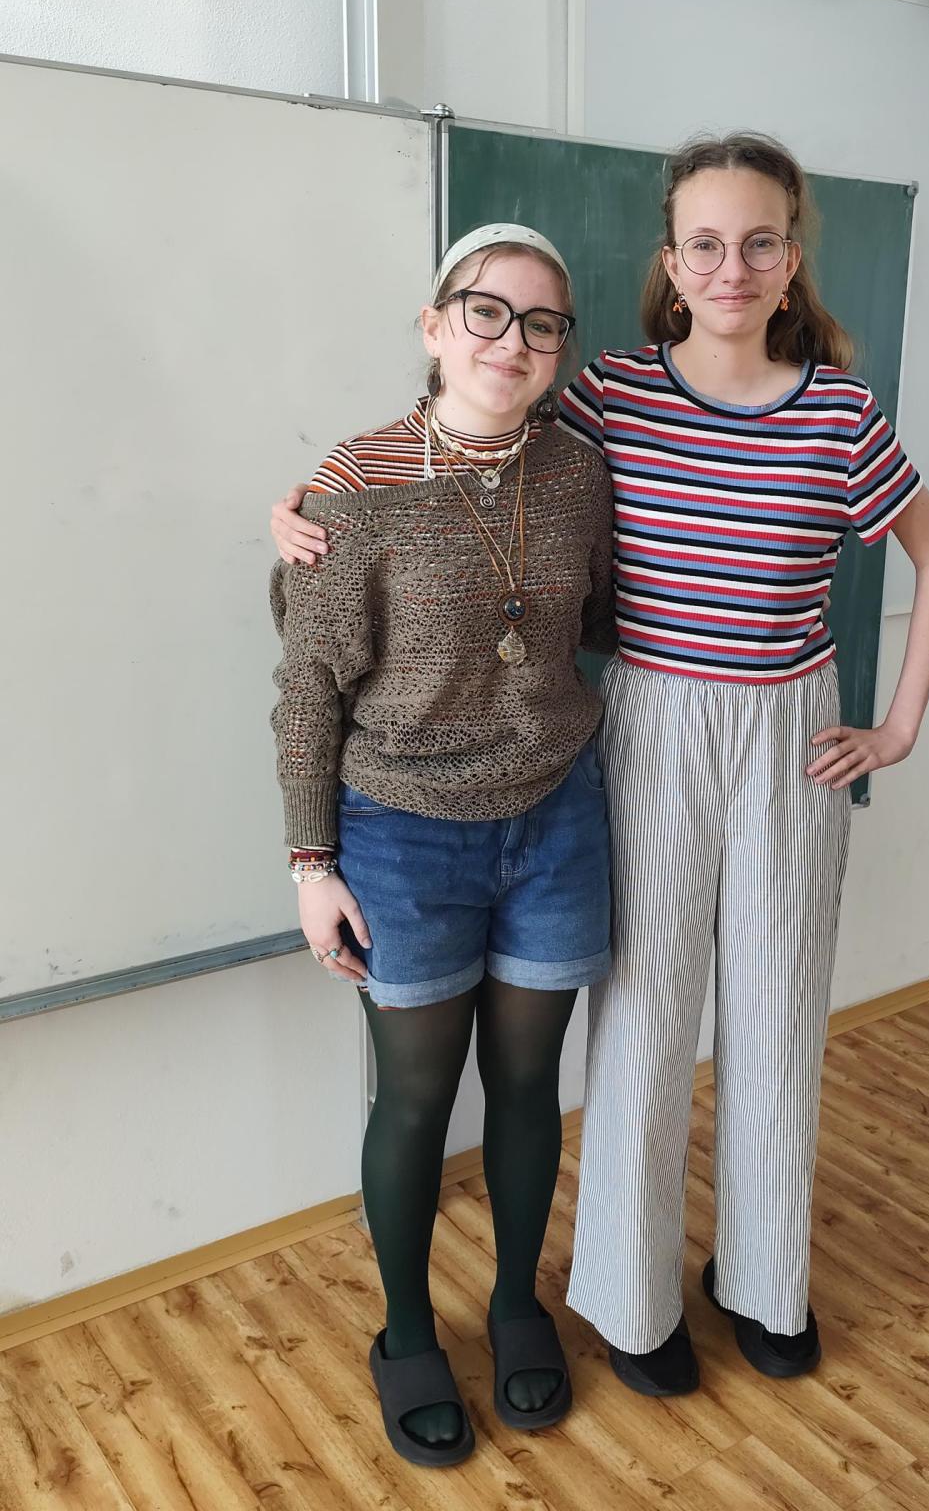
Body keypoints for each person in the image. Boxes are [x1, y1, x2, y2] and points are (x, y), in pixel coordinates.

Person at [271, 135, 929, 1402]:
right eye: (705, 243)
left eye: (759, 242)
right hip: (646, 721)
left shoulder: (840, 412)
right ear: (671, 263)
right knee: (643, 1018)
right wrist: (308, 499)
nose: (731, 266)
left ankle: (763, 1281)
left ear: (791, 260)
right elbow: (464, 443)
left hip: (789, 727)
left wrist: (900, 723)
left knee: (779, 1014)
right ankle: (631, 1301)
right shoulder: (610, 398)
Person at [270, 223, 615, 1468]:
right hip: (401, 837)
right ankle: (407, 1330)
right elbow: (306, 690)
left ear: (559, 348)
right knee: (416, 1096)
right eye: (486, 312)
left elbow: (603, 615)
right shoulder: (353, 483)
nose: (512, 341)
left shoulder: (579, 472)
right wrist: (312, 864)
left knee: (528, 1082)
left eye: (541, 322)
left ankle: (517, 1302)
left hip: (557, 819)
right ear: (434, 326)